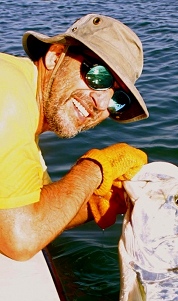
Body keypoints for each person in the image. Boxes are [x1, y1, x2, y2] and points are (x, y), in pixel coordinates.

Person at [0, 13, 149, 261]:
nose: (101, 103)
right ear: (55, 56)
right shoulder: (7, 96)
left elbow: (35, 210)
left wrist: (100, 202)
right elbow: (20, 239)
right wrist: (97, 168)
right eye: (99, 77)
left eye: (117, 99)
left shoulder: (24, 106)